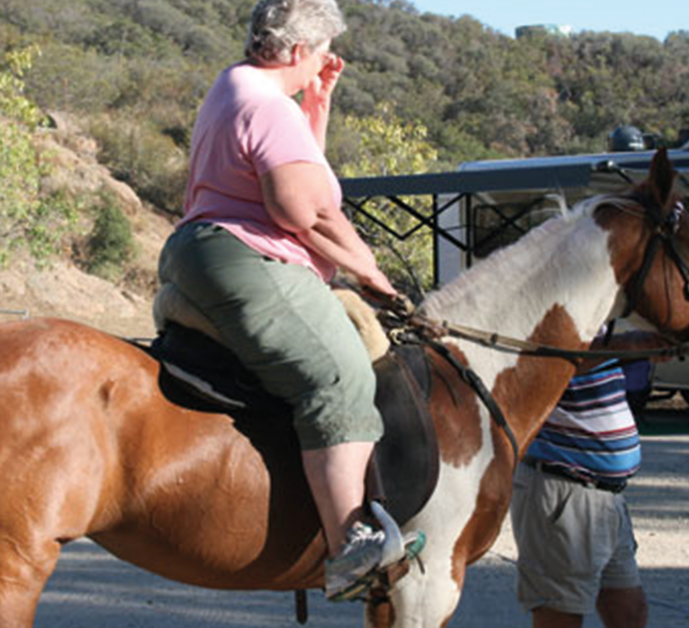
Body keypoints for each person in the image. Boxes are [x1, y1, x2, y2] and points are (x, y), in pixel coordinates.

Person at [155, 0, 405, 602]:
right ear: (297, 52)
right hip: (243, 257)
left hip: (198, 251)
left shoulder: (235, 88)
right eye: (319, 53)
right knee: (340, 375)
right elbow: (303, 209)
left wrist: (317, 101)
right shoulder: (268, 105)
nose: (322, 62)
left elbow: (300, 167)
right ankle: (351, 547)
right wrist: (368, 267)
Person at [511, 334, 662, 628]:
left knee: (629, 612)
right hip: (564, 488)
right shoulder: (547, 310)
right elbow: (550, 360)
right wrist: (624, 346)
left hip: (608, 496)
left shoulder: (596, 317)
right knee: (561, 614)